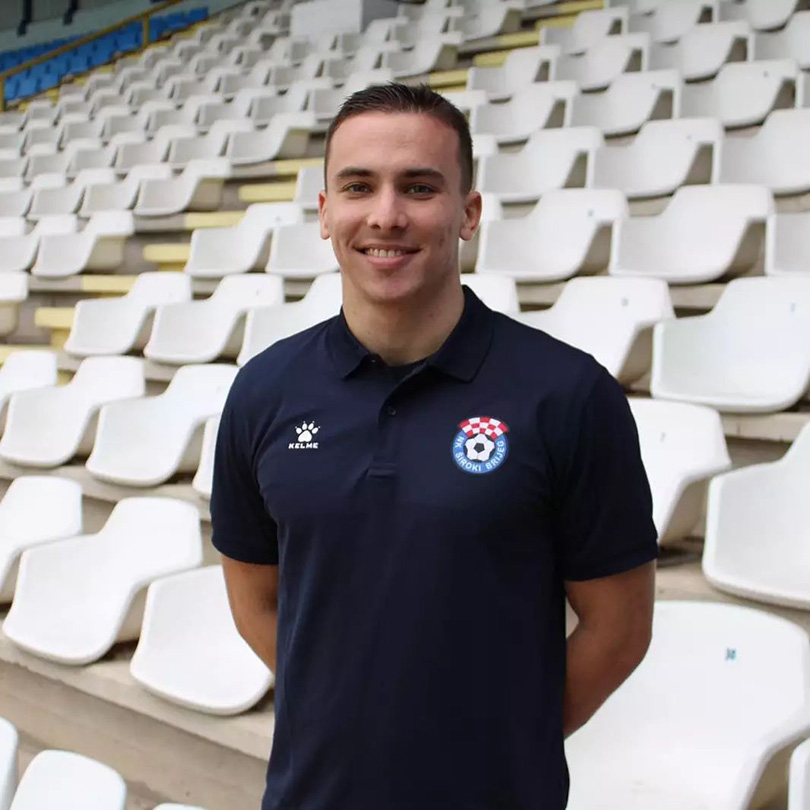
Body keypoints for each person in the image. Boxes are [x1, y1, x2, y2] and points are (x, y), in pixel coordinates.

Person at [211, 83, 658, 810]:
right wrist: (346, 718)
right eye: (358, 187)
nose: (386, 215)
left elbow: (620, 628)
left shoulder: (569, 395)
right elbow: (255, 600)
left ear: (468, 213)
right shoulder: (264, 392)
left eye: (419, 188)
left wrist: (500, 743)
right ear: (325, 213)